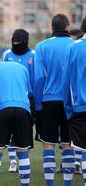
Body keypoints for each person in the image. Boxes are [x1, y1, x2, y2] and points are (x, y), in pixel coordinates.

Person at [34, 14, 75, 186]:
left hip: (48, 100)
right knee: (68, 144)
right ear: (67, 27)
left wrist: (37, 105)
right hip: (71, 101)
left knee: (48, 144)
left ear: (52, 28)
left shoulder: (41, 46)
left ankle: (50, 184)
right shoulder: (75, 45)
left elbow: (38, 78)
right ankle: (67, 184)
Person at [0, 62, 33, 186]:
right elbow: (30, 92)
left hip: (1, 108)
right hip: (23, 108)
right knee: (23, 152)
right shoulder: (23, 68)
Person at [2, 29, 35, 173]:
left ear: (25, 41)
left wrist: (35, 100)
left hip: (27, 101)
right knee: (9, 132)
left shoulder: (33, 55)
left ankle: (23, 161)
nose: (16, 43)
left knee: (23, 134)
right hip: (9, 99)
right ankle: (12, 162)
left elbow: (36, 78)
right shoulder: (7, 55)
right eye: (14, 41)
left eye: (19, 41)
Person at [62, 15, 86, 185]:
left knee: (84, 151)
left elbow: (66, 82)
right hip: (79, 107)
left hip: (80, 107)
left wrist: (68, 109)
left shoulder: (72, 48)